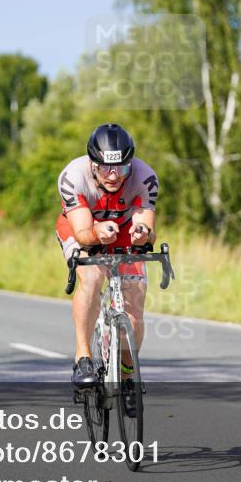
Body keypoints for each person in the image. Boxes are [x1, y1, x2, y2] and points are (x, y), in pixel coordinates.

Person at [55, 124, 159, 413]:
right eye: (105, 170)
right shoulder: (73, 177)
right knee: (91, 276)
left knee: (135, 304)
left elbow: (148, 229)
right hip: (82, 229)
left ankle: (127, 373)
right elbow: (83, 232)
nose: (114, 176)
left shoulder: (145, 176)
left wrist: (142, 234)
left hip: (123, 229)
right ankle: (83, 357)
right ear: (93, 164)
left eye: (121, 169)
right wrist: (98, 233)